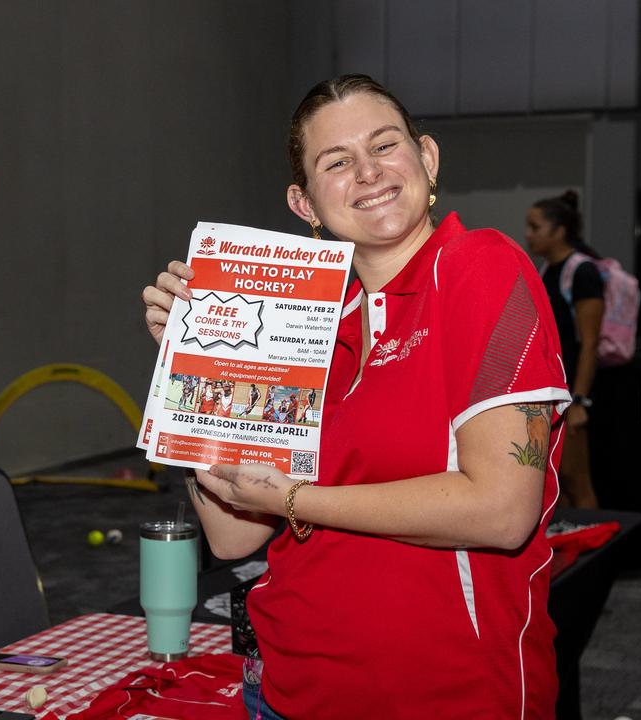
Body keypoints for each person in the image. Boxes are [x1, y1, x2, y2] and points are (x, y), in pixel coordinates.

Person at [142, 75, 569, 719]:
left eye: (385, 146)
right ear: (305, 203)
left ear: (426, 159)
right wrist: (196, 373)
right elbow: (231, 536)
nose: (368, 172)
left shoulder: (480, 268)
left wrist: (294, 498)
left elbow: (502, 510)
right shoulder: (298, 321)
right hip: (287, 690)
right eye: (336, 162)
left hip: (444, 698)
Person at [526, 191, 603, 509]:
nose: (529, 235)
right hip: (555, 394)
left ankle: (601, 554)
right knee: (560, 484)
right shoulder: (545, 269)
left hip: (577, 397)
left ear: (559, 231)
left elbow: (590, 342)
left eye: (535, 227)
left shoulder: (583, 272)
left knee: (577, 480)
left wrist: (581, 402)